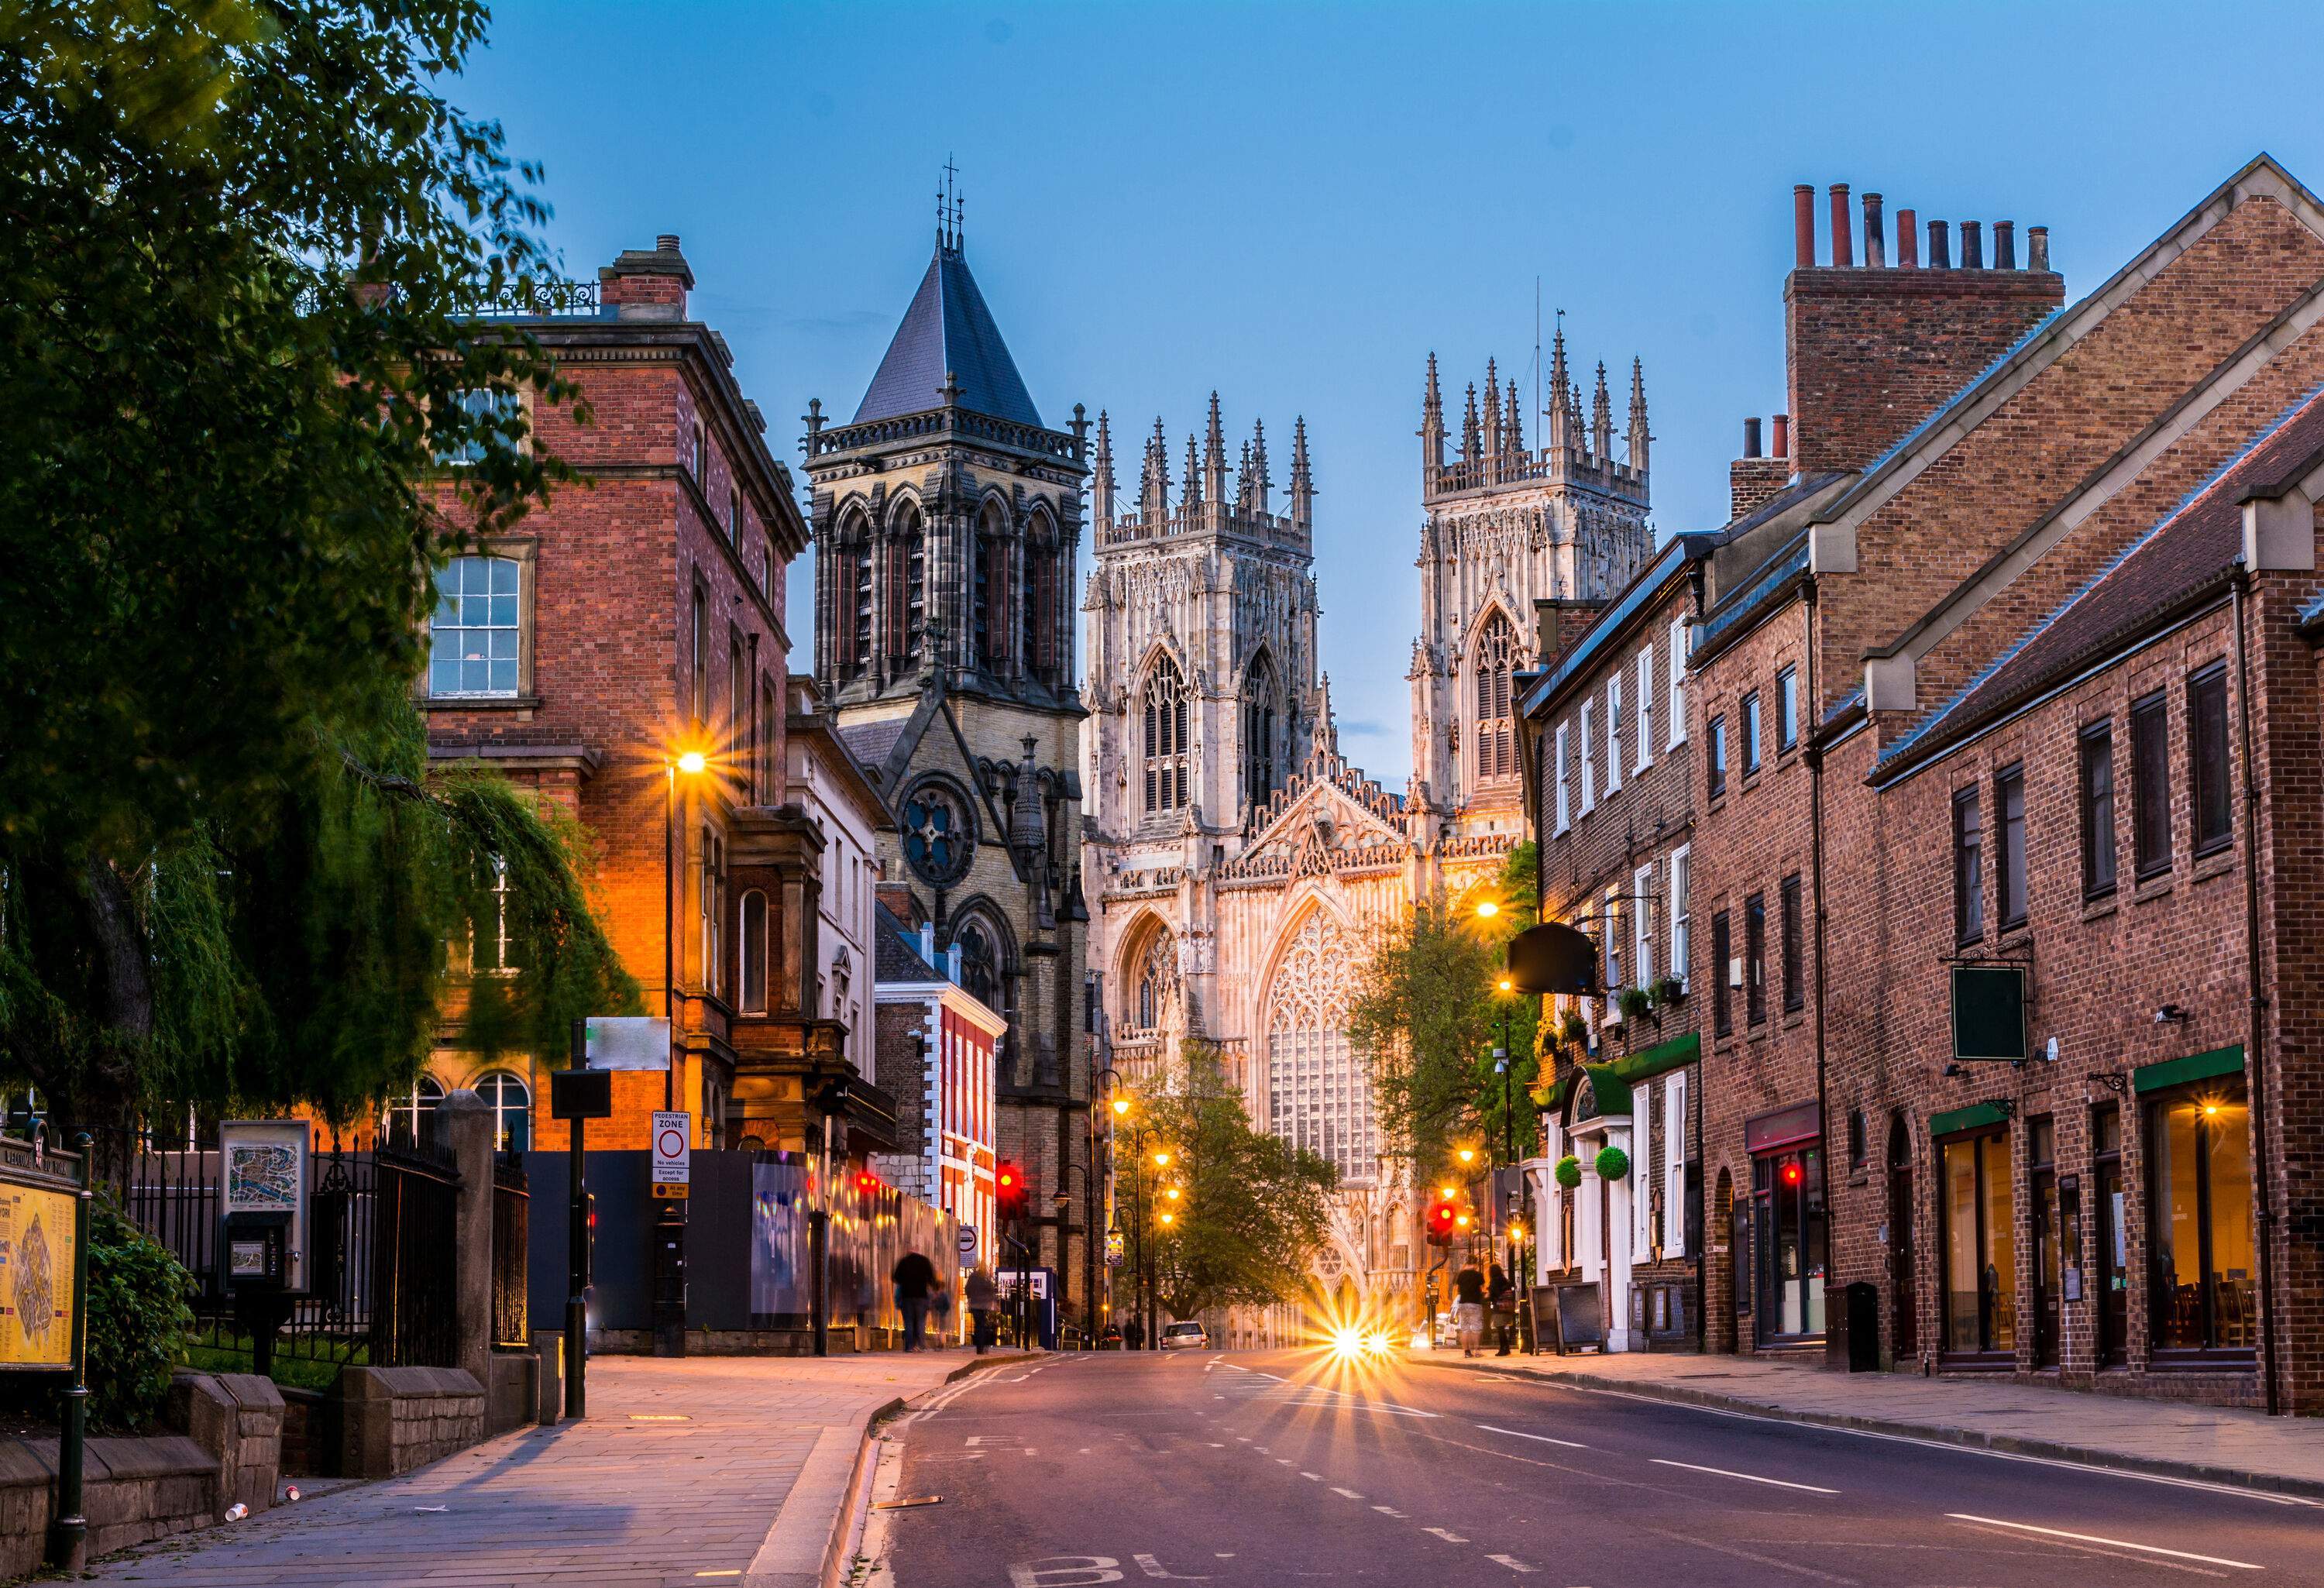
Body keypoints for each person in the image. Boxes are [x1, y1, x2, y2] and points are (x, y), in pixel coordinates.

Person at [892, 1249, 939, 1352]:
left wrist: (905, 1282)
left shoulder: (904, 1262)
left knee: (909, 1322)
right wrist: (934, 1288)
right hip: (921, 1296)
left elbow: (895, 1277)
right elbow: (932, 1278)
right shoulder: (924, 1261)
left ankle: (909, 1346)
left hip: (907, 1296)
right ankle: (920, 1345)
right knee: (921, 1322)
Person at [1453, 1259, 1487, 1357]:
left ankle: (1467, 1352)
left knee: (1465, 1329)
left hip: (1463, 1303)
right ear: (1475, 1264)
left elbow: (1457, 1289)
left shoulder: (1461, 1274)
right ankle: (1477, 1351)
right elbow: (1483, 1288)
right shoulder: (1478, 1275)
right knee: (1476, 1329)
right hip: (1475, 1303)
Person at [965, 1267, 1000, 1354]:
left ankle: (979, 1347)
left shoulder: (973, 1277)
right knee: (982, 1325)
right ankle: (982, 1346)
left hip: (975, 1304)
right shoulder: (986, 1279)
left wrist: (969, 1297)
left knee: (978, 1325)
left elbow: (967, 1289)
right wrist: (994, 1303)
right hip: (984, 1305)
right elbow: (992, 1291)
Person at [1488, 1263, 1518, 1356]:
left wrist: (1488, 1295)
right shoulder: (1505, 1280)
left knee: (1500, 1329)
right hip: (1507, 1307)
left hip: (1499, 1308)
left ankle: (1503, 1349)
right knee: (1502, 1329)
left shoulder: (1494, 1281)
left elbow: (1494, 1294)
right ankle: (1506, 1348)